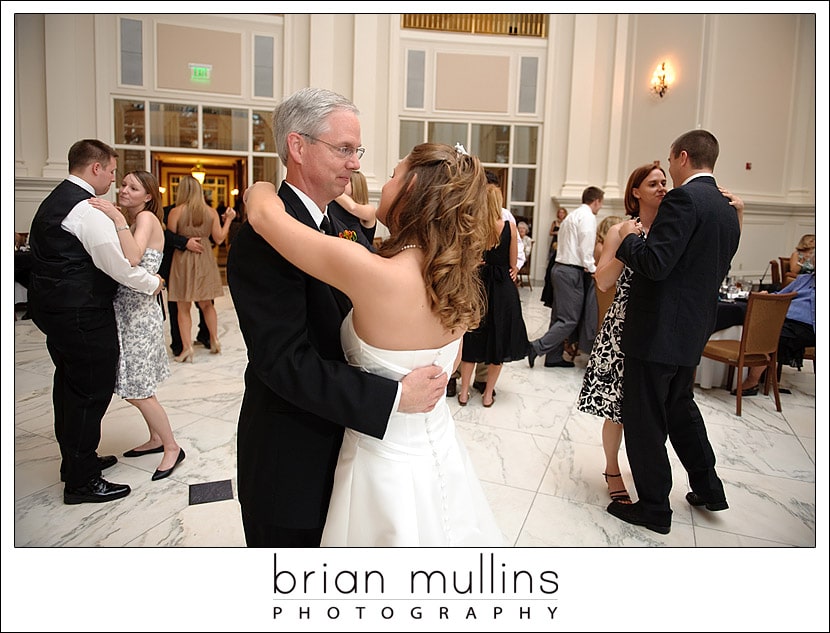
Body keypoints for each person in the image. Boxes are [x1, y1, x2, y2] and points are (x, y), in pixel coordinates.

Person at [244, 141, 503, 546]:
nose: (383, 182)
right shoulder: (457, 278)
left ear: (412, 184)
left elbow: (262, 216)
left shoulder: (375, 274)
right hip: (437, 447)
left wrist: (259, 186)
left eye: (395, 174)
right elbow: (448, 367)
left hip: (381, 460)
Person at [226, 87, 449, 548]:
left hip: (352, 452)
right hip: (292, 460)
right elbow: (284, 362)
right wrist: (391, 396)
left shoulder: (337, 225)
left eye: (357, 151)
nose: (355, 163)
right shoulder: (263, 236)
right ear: (298, 146)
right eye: (344, 149)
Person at [607, 129, 741, 535]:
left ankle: (653, 507)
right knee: (681, 409)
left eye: (670, 160)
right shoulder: (726, 206)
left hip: (658, 330)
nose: (668, 169)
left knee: (646, 418)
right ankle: (709, 487)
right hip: (692, 329)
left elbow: (656, 264)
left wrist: (629, 240)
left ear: (683, 157)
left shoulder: (683, 199)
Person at [27, 139, 163, 504]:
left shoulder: (57, 199)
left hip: (56, 310)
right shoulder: (86, 210)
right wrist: (153, 283)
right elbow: (118, 265)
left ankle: (75, 463)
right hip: (81, 314)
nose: (115, 180)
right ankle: (82, 481)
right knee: (90, 393)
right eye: (114, 171)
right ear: (96, 168)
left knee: (70, 388)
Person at [577, 164, 666, 504]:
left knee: (648, 410)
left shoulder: (672, 228)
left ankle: (646, 471)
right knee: (616, 407)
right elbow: (602, 280)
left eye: (664, 182)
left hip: (658, 326)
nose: (661, 188)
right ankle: (612, 468)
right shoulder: (620, 229)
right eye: (653, 183)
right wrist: (631, 242)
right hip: (623, 326)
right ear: (635, 192)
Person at [87, 171, 185, 480]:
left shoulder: (144, 220)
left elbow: (131, 258)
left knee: (139, 389)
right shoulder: (136, 221)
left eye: (133, 187)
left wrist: (116, 217)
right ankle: (156, 439)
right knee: (134, 383)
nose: (124, 190)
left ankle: (172, 447)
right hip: (130, 310)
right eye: (124, 185)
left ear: (148, 196)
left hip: (140, 314)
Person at [458, 182, 529, 408]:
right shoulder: (509, 226)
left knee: (472, 339)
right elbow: (513, 263)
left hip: (478, 285)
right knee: (498, 339)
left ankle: (463, 393)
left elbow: (466, 258)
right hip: (501, 287)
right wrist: (514, 270)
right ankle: (488, 394)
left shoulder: (474, 226)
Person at [528, 186, 604, 369]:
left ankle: (553, 357)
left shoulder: (572, 216)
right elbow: (586, 247)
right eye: (600, 203)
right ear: (596, 201)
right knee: (569, 319)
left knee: (559, 317)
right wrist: (594, 269)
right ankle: (536, 347)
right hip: (571, 271)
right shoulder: (588, 217)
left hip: (560, 268)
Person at [166, 175, 235, 361]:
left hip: (183, 259)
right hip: (205, 257)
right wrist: (228, 219)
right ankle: (214, 340)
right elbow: (219, 238)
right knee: (207, 304)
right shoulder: (211, 212)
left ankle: (187, 348)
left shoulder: (176, 212)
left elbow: (170, 239)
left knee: (183, 306)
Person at [735, 270, 815, 396]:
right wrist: (766, 294)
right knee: (755, 322)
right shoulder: (804, 279)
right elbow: (780, 295)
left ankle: (752, 380)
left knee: (772, 334)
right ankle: (746, 371)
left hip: (808, 326)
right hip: (783, 317)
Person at [160, 202, 209, 356]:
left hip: (195, 260)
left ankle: (205, 337)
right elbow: (168, 236)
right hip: (176, 262)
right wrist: (185, 242)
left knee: (203, 302)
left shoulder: (204, 211)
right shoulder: (169, 211)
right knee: (179, 305)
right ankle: (181, 344)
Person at [328, 169, 377, 245]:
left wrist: (328, 187)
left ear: (356, 185)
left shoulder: (370, 209)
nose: (342, 182)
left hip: (364, 252)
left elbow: (352, 207)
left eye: (347, 179)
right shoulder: (335, 205)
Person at [541, 206, 568, 308]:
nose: (561, 214)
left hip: (562, 244)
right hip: (555, 243)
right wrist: (557, 232)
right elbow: (550, 232)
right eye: (559, 212)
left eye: (562, 212)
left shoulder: (565, 223)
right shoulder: (555, 222)